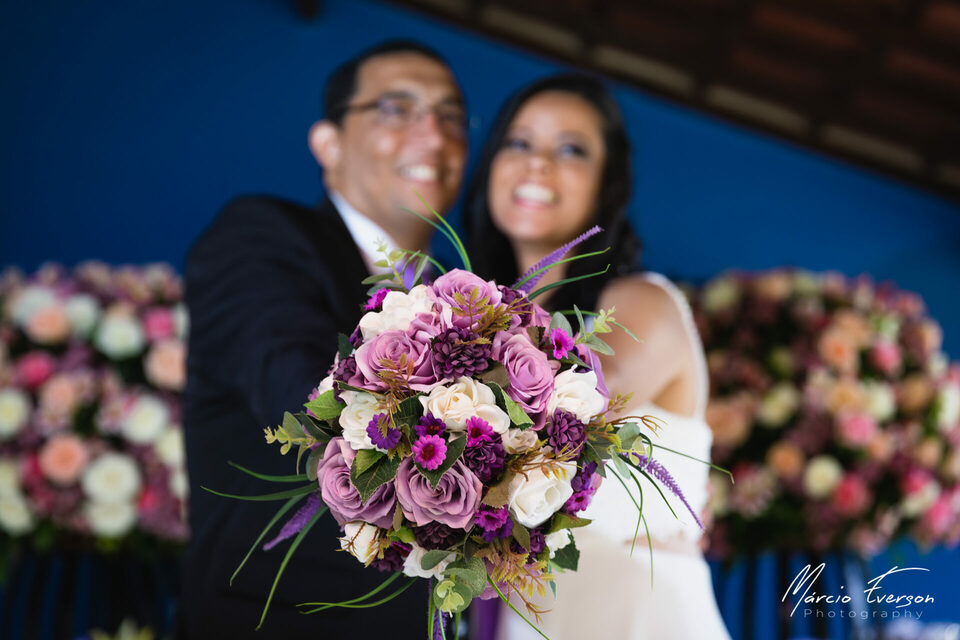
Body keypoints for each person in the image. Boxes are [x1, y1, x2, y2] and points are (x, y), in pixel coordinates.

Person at [178, 40, 467, 639]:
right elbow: (306, 400)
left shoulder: (464, 292)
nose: (433, 136)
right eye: (397, 109)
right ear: (328, 143)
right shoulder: (261, 237)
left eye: (451, 117)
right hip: (277, 618)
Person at [463, 74, 730, 639]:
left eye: (571, 149)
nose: (537, 163)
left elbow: (563, 421)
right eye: (519, 142)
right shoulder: (477, 322)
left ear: (607, 184)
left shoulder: (642, 303)